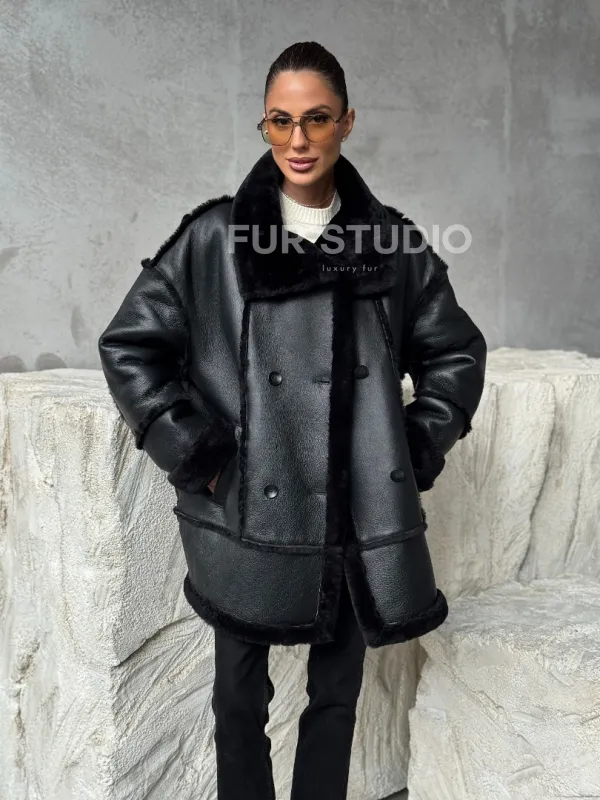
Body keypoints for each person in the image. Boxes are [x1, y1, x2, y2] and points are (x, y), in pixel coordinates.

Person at [98, 40, 487, 800]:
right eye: (280, 121)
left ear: (347, 123)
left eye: (316, 119)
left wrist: (409, 448)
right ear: (265, 125)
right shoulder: (215, 238)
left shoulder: (390, 243)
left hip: (351, 513)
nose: (298, 140)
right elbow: (130, 346)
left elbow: (456, 354)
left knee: (335, 702)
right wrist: (199, 453)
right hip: (246, 509)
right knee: (238, 700)